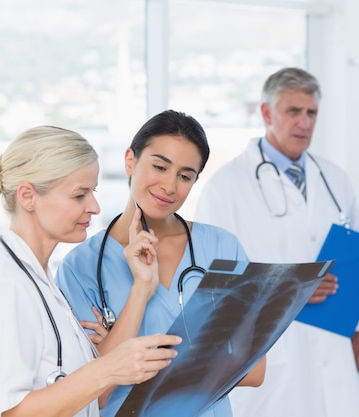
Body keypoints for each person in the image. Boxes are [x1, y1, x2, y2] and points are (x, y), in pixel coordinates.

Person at [0, 126, 182, 417]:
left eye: (94, 191)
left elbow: (96, 396)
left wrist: (142, 288)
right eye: (79, 195)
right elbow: (11, 413)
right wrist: (108, 368)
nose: (94, 206)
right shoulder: (5, 286)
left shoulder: (41, 282)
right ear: (28, 197)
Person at [194, 67, 359, 417]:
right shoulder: (227, 187)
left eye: (311, 113)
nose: (305, 122)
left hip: (335, 353)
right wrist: (293, 286)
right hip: (272, 361)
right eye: (293, 111)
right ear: (266, 113)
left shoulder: (335, 180)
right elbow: (212, 283)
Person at [55, 110, 265, 417]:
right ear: (130, 160)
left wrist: (129, 359)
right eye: (159, 166)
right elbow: (96, 392)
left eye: (184, 175)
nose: (169, 185)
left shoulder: (223, 248)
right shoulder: (82, 267)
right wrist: (209, 355)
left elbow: (254, 370)